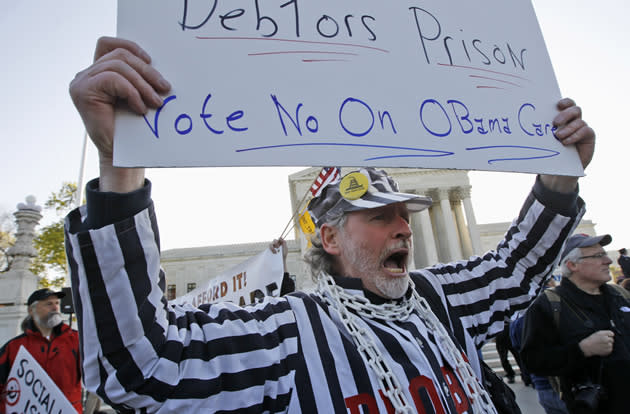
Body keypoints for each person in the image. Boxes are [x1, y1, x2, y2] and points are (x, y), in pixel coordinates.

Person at [64, 36, 594, 413]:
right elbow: (145, 366)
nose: (404, 228)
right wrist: (120, 164)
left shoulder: (441, 299)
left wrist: (560, 177)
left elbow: (515, 269)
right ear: (331, 237)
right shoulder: (288, 331)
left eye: (404, 214)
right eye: (380, 215)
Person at [520, 234, 630, 413]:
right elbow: (533, 361)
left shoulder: (621, 296)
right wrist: (582, 350)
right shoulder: (549, 305)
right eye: (597, 256)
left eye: (604, 254)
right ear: (572, 265)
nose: (607, 260)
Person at [0, 289, 82, 413]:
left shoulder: (76, 340)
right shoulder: (14, 347)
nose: (55, 307)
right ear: (31, 310)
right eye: (48, 304)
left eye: (57, 303)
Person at [510, 279, 569, 414]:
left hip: (542, 385)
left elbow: (517, 346)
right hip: (559, 384)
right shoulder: (549, 305)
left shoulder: (518, 314)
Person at [494, 320, 530, 385]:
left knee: (517, 357)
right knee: (504, 358)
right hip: (501, 333)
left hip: (507, 331)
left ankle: (522, 374)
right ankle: (511, 374)